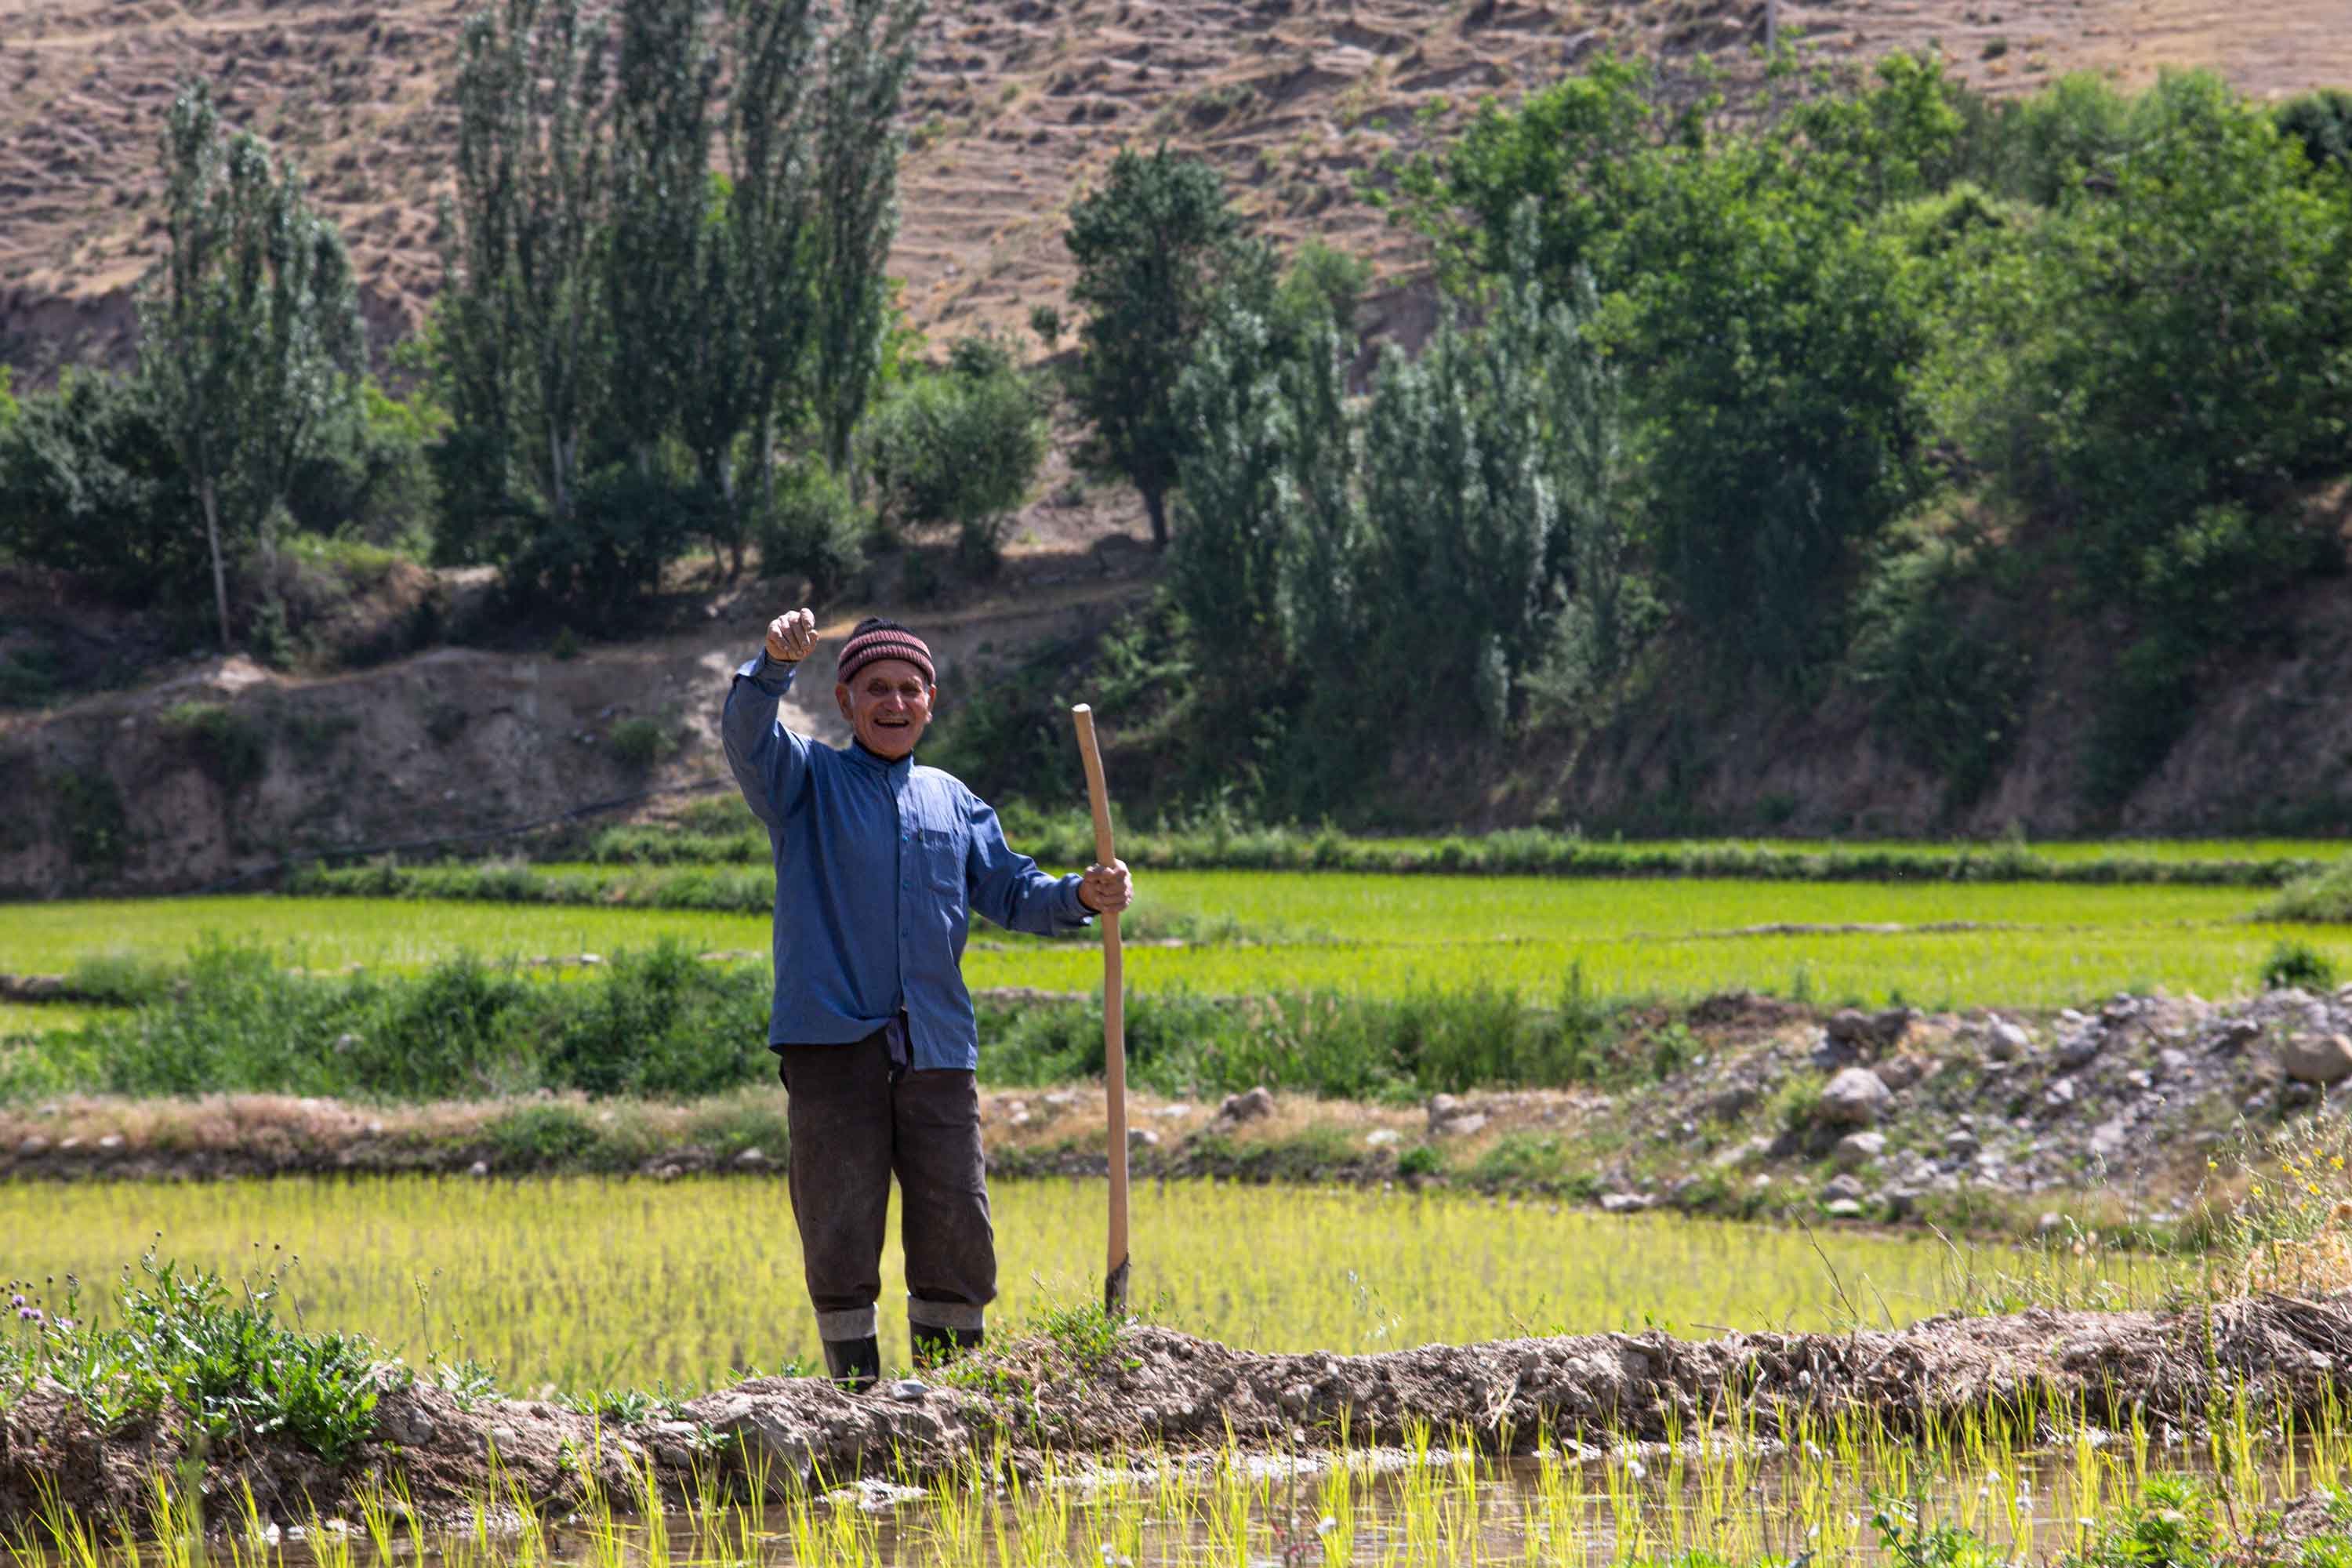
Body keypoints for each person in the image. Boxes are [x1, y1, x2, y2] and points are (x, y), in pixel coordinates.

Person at [720, 608, 1134, 1392]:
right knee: (840, 1224)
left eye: (910, 688)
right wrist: (773, 665)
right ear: (844, 701)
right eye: (877, 688)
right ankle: (857, 1396)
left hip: (937, 1049)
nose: (895, 702)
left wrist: (1081, 892)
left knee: (956, 1222)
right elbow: (746, 737)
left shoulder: (953, 801)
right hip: (833, 1047)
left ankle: (949, 1404)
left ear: (931, 700)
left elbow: (1013, 889)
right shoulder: (805, 780)